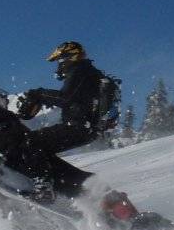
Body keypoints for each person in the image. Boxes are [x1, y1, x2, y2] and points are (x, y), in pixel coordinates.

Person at [13, 40, 109, 200]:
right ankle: (81, 186)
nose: (59, 65)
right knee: (42, 153)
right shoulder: (88, 72)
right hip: (85, 127)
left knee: (30, 142)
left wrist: (39, 94)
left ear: (68, 57)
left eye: (59, 60)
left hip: (78, 126)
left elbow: (66, 98)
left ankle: (43, 187)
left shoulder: (80, 70)